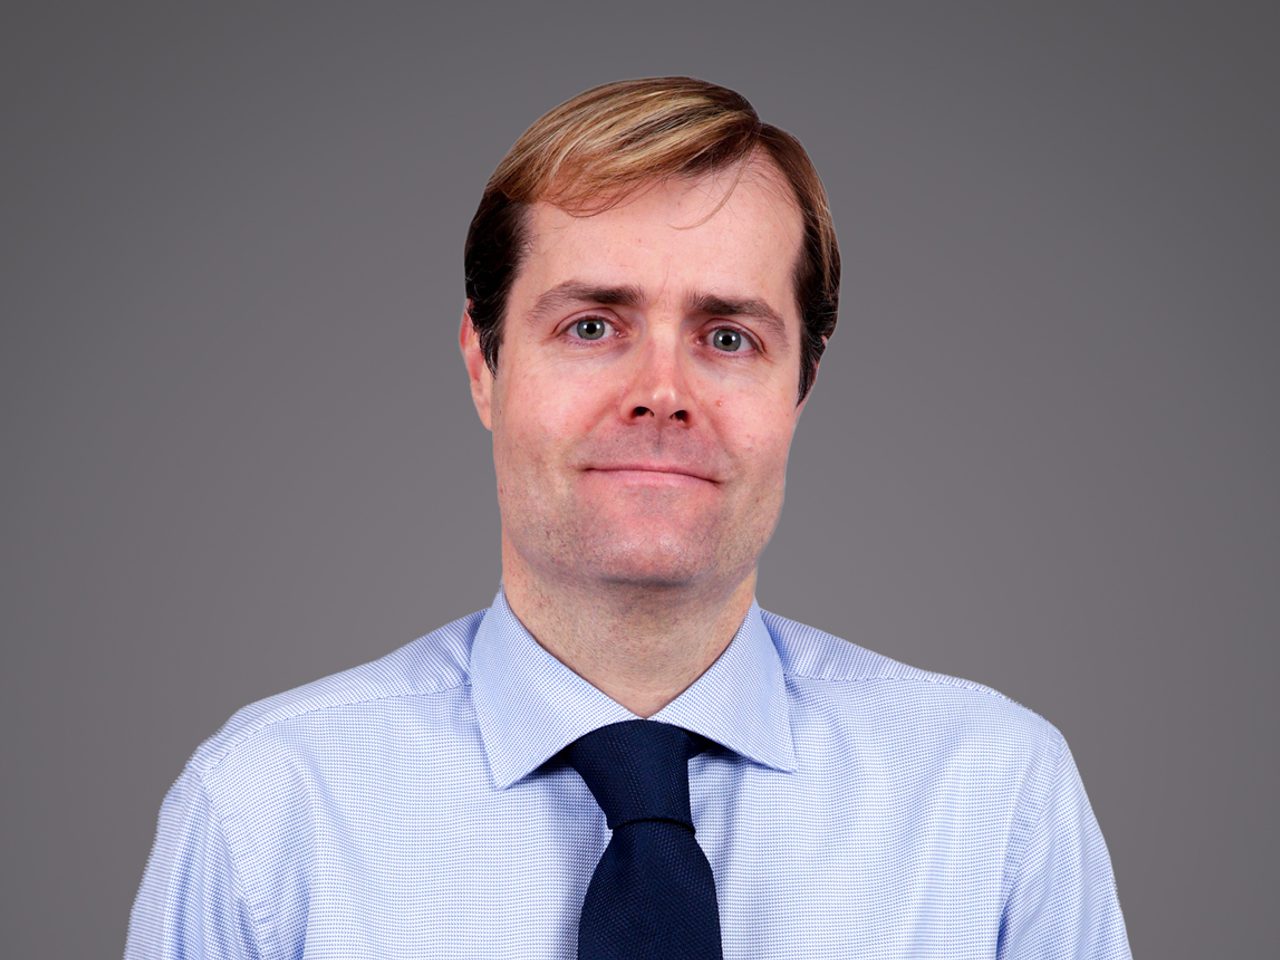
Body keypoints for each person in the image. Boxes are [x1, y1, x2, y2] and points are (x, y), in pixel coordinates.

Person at [126, 77, 1132, 959]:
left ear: (801, 388)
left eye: (728, 336)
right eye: (592, 325)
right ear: (484, 366)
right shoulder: (265, 810)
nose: (661, 391)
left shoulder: (993, 797)